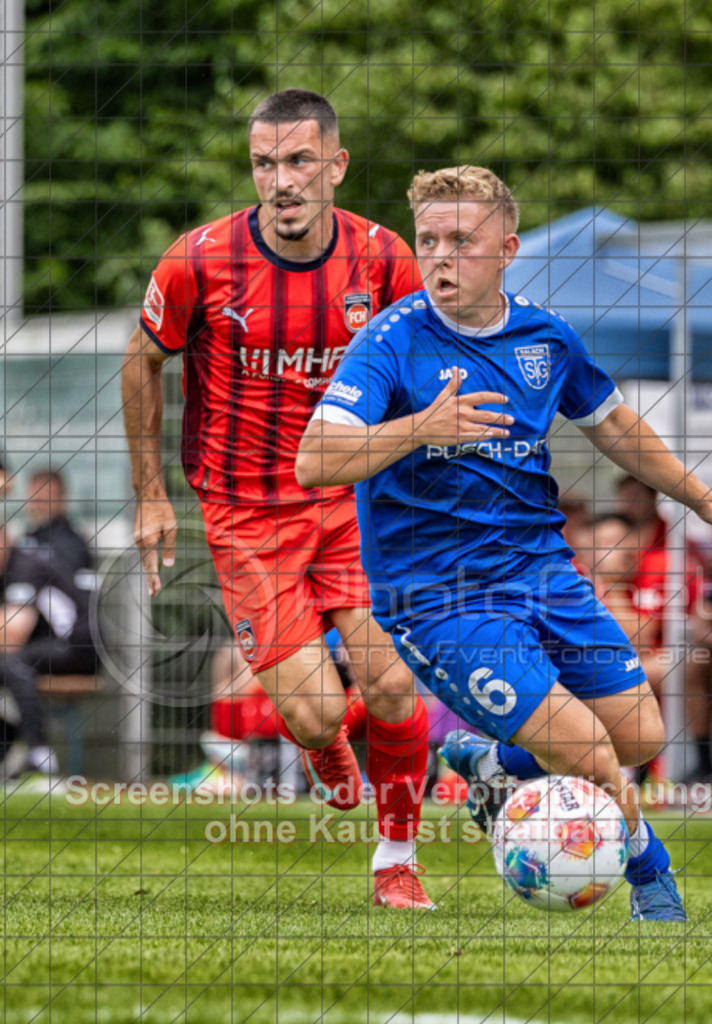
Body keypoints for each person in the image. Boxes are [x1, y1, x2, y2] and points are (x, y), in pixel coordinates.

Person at [296, 165, 712, 921]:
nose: (441, 257)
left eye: (461, 240)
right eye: (428, 241)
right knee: (584, 747)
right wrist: (419, 428)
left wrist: (707, 501)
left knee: (639, 733)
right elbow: (313, 460)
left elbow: (614, 424)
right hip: (438, 598)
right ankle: (652, 875)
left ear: (507, 248)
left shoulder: (544, 338)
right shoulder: (390, 341)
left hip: (541, 571)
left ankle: (489, 764)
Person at [121, 89, 434, 909]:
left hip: (351, 507)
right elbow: (140, 363)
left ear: (335, 166)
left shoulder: (383, 259)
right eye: (265, 163)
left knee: (396, 687)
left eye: (299, 161)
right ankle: (321, 741)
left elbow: (420, 370)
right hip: (246, 517)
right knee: (315, 714)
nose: (281, 181)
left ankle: (396, 861)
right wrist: (151, 496)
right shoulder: (199, 259)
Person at [0, 467, 98, 777]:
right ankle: (12, 748)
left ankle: (39, 756)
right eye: (34, 498)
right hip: (48, 643)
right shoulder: (29, 543)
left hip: (78, 646)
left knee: (10, 664)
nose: (37, 504)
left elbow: (11, 633)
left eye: (45, 497)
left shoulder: (30, 560)